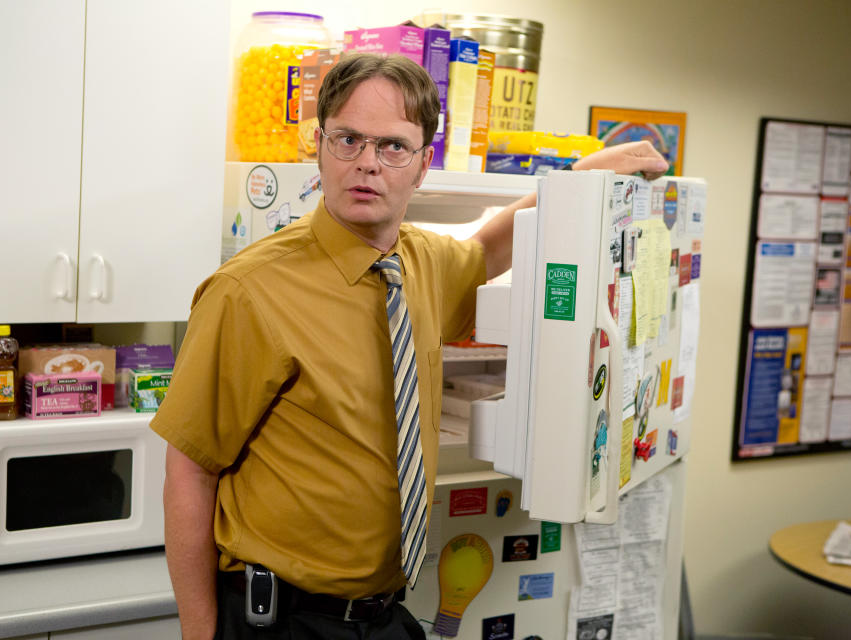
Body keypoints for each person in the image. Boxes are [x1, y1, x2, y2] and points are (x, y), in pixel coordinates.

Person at [150, 53, 668, 640]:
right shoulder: (248, 291)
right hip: (282, 619)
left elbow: (490, 249)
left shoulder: (420, 262)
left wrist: (578, 181)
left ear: (422, 166)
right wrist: (198, 634)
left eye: (393, 147)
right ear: (318, 146)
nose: (367, 164)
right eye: (348, 140)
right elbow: (190, 469)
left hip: (386, 613)